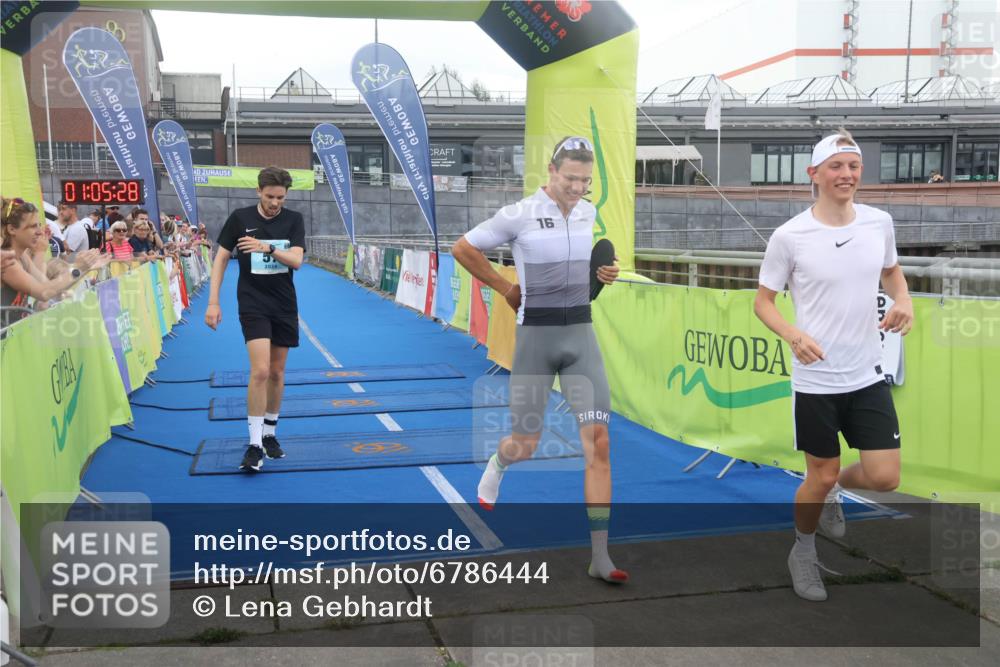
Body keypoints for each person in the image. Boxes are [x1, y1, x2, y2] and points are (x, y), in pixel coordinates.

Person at [451, 136, 626, 584]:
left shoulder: (587, 212)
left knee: (599, 443)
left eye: (585, 181)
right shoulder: (519, 213)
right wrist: (506, 287)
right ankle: (499, 463)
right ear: (551, 171)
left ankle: (600, 555)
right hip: (535, 339)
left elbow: (588, 268)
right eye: (570, 178)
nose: (577, 188)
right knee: (525, 444)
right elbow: (463, 248)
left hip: (580, 336)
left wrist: (603, 272)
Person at [754, 129, 913, 602]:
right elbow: (763, 303)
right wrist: (793, 334)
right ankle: (802, 550)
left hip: (867, 373)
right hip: (817, 381)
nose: (847, 175)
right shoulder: (790, 236)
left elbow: (892, 271)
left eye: (854, 166)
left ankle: (833, 493)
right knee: (817, 475)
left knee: (885, 477)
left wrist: (904, 299)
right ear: (815, 175)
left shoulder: (879, 222)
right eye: (837, 166)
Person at [205, 166, 305, 472]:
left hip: (284, 303)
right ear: (258, 192)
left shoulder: (293, 220)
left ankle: (271, 433)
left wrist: (267, 247)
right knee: (260, 371)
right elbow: (221, 257)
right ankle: (254, 443)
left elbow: (297, 260)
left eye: (281, 197)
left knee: (277, 372)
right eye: (270, 196)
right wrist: (213, 302)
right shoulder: (241, 218)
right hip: (252, 302)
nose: (276, 203)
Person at [1, 197, 102, 327]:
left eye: (38, 225)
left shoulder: (22, 257)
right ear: (11, 229)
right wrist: (77, 268)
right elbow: (44, 292)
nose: (39, 232)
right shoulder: (8, 262)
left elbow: (48, 286)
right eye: (32, 226)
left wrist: (84, 268)